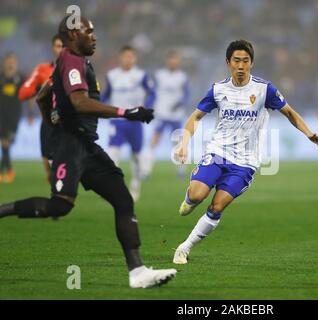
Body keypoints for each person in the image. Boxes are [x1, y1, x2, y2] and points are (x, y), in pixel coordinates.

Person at [0, 16, 176, 288]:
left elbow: (43, 96)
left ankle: (137, 272)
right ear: (73, 36)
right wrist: (126, 113)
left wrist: (51, 118)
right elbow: (80, 103)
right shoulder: (71, 60)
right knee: (60, 205)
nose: (94, 36)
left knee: (123, 199)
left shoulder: (76, 61)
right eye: (88, 32)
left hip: (86, 146)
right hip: (70, 146)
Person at [172, 40, 318, 264]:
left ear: (252, 63)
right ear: (228, 63)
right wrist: (184, 142)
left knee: (217, 206)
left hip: (245, 162)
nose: (241, 66)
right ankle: (190, 199)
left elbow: (290, 113)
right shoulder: (218, 90)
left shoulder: (264, 90)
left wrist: (309, 133)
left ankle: (184, 247)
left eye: (245, 61)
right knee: (197, 195)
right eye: (236, 61)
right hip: (218, 151)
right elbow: (195, 117)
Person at [100, 45, 155, 201]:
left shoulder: (141, 75)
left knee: (136, 156)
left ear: (135, 58)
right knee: (112, 154)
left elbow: (152, 93)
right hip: (117, 121)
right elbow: (105, 95)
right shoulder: (112, 76)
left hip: (135, 121)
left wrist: (146, 106)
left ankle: (135, 185)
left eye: (131, 56)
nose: (128, 59)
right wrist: (96, 107)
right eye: (125, 56)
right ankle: (114, 188)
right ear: (120, 58)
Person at [18, 35, 64, 183]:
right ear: (52, 49)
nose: (61, 49)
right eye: (58, 46)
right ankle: (57, 194)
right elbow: (23, 93)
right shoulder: (42, 70)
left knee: (64, 162)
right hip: (48, 122)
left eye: (63, 46)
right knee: (48, 167)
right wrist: (40, 87)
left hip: (66, 123)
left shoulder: (75, 71)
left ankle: (62, 193)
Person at [141, 50, 189, 179]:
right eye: (171, 59)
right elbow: (152, 93)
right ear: (167, 61)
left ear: (178, 62)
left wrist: (181, 103)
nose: (173, 62)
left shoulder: (182, 77)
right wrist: (147, 106)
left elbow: (186, 94)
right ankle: (146, 170)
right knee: (153, 141)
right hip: (161, 114)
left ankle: (181, 171)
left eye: (175, 60)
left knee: (179, 143)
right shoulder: (159, 75)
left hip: (176, 116)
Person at [0, 53, 24, 183]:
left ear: (16, 63)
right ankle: (7, 171)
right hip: (1, 115)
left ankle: (6, 170)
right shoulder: (1, 78)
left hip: (14, 116)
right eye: (8, 61)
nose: (10, 64)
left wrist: (31, 112)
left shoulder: (20, 78)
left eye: (12, 62)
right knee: (4, 143)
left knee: (6, 143)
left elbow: (29, 93)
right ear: (4, 63)